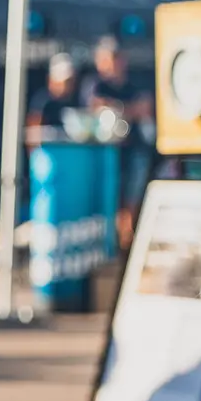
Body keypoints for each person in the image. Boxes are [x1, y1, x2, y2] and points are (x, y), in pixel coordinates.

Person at [80, 36, 154, 246]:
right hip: (107, 154)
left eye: (114, 58)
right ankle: (112, 245)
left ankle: (127, 244)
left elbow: (144, 108)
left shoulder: (134, 83)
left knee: (132, 201)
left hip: (134, 152)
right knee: (109, 201)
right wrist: (127, 110)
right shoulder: (95, 85)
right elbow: (98, 108)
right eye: (105, 58)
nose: (111, 63)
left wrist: (118, 109)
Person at [26, 53, 80, 138]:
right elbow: (33, 136)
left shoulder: (76, 101)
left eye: (70, 81)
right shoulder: (41, 102)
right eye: (65, 81)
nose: (66, 85)